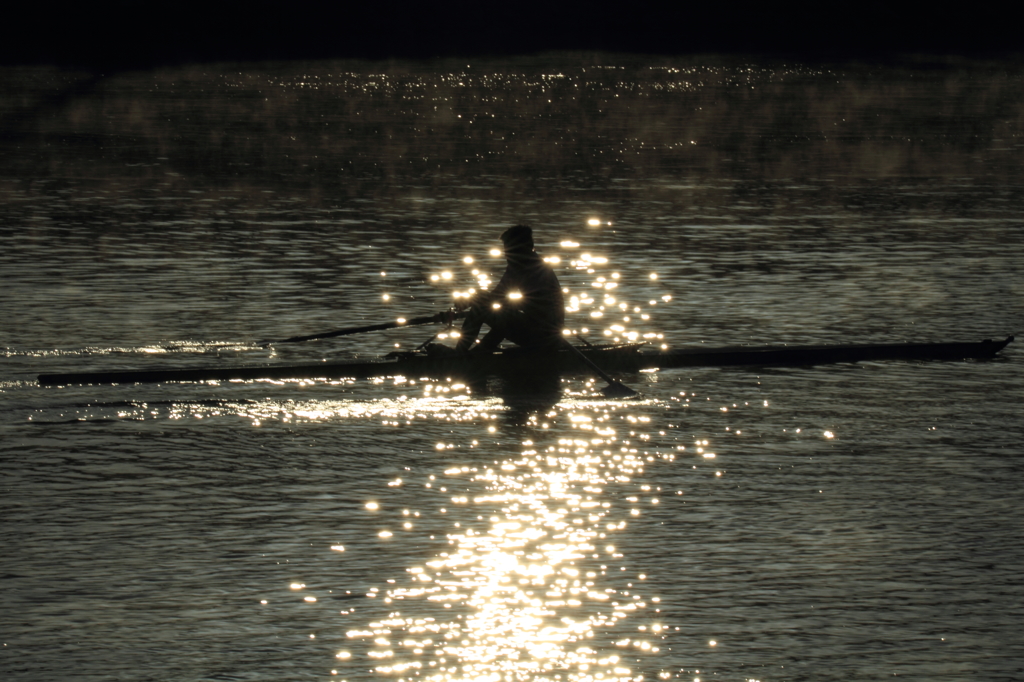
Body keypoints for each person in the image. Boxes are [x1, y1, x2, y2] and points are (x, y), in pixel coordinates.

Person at [453, 225, 565, 353]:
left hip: (545, 337)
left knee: (481, 307)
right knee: (488, 308)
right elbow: (498, 295)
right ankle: (476, 353)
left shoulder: (537, 270)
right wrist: (477, 300)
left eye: (509, 250)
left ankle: (459, 355)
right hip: (534, 329)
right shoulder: (516, 266)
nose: (506, 255)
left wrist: (472, 301)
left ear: (522, 248)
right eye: (505, 251)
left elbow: (534, 307)